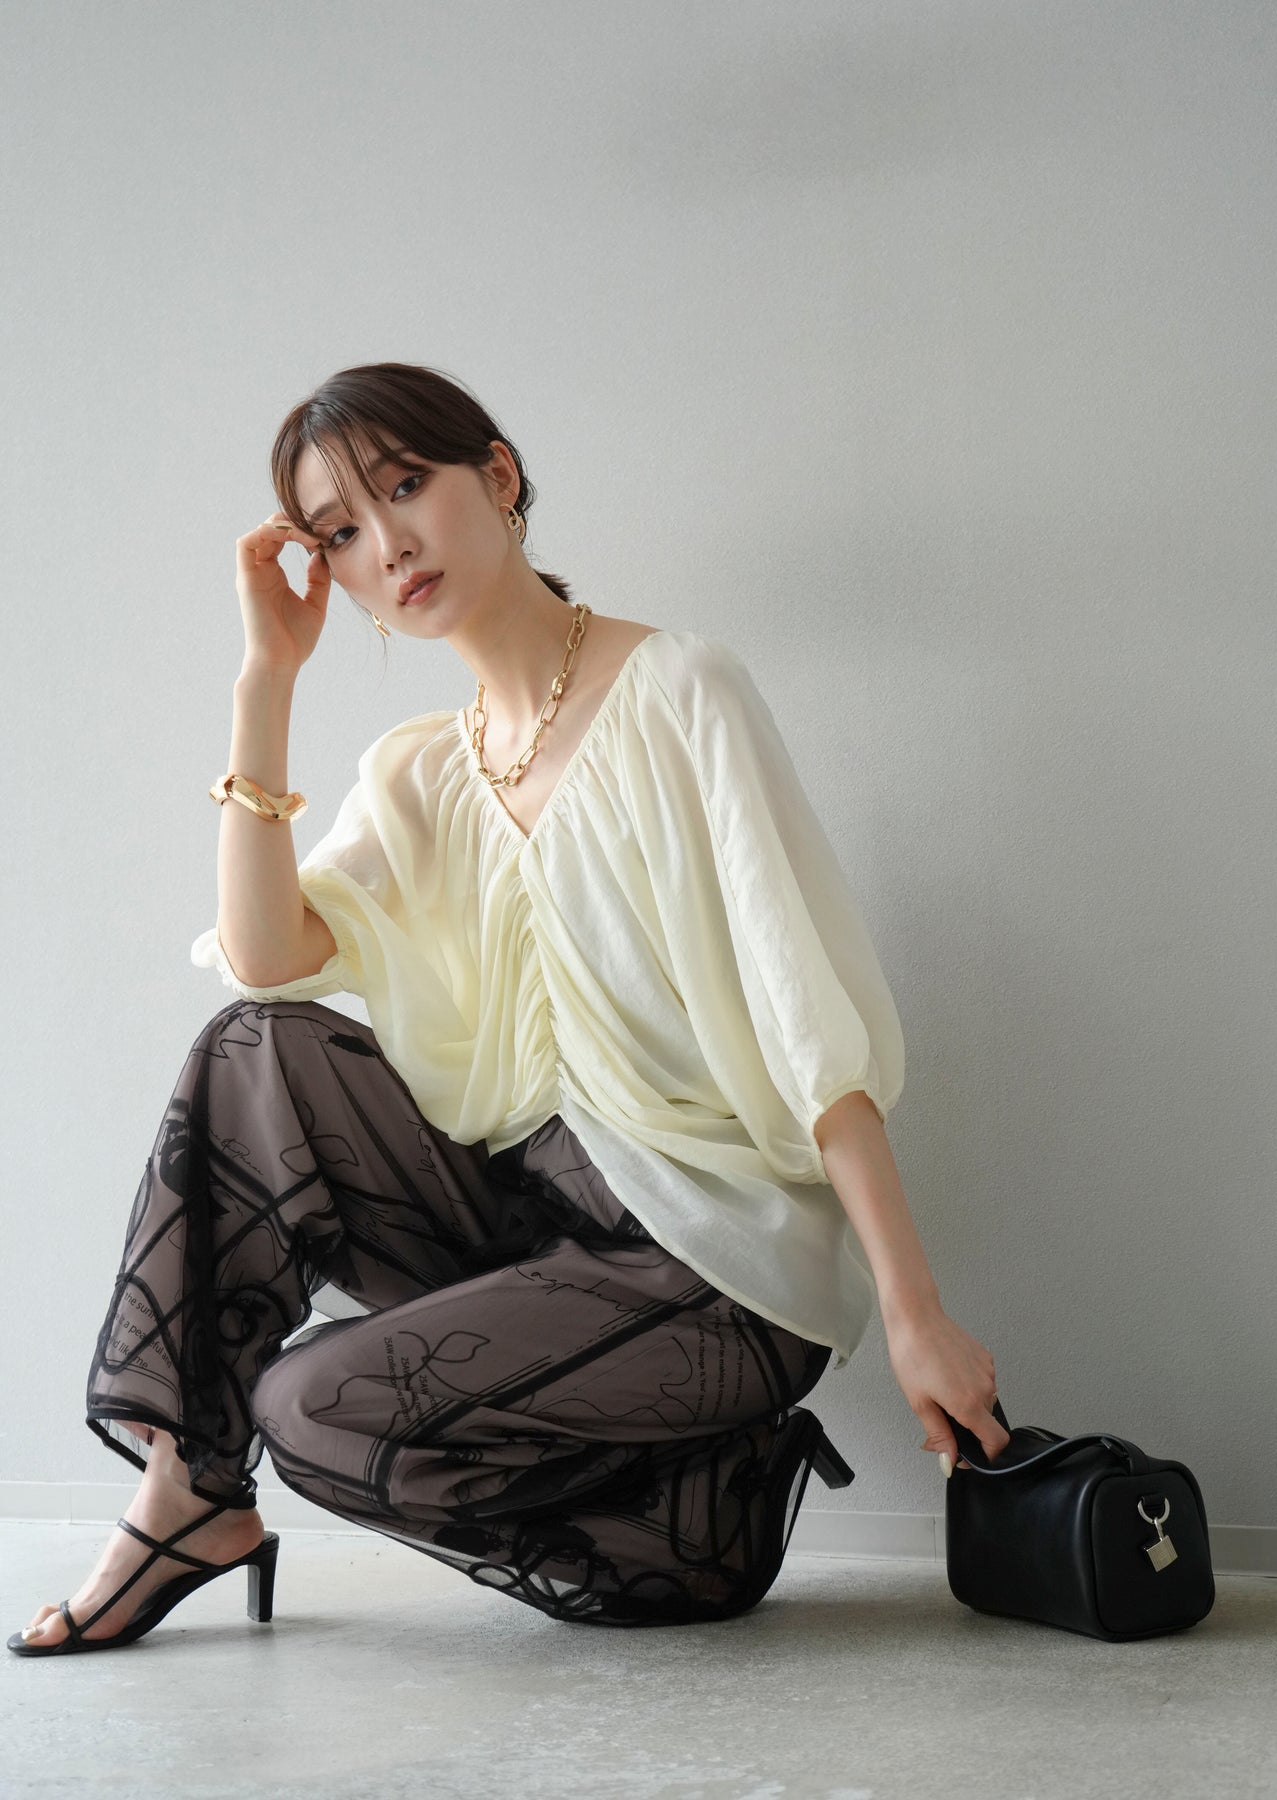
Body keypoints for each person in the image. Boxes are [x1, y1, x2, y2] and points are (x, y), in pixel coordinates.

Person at [11, 361, 1009, 1654]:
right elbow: (264, 959)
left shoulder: (681, 689)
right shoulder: (422, 772)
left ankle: (692, 1525)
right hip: (533, 1233)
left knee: (312, 1407)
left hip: (710, 1268)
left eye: (403, 486)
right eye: (339, 533)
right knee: (256, 1047)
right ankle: (187, 1490)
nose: (386, 545)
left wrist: (915, 1312)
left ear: (497, 474)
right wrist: (267, 680)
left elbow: (804, 1021)